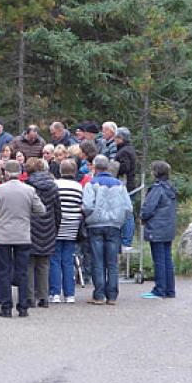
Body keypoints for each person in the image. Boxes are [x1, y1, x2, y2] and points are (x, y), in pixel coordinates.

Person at [0, 159, 46, 318]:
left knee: (4, 271)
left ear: (5, 173)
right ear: (20, 173)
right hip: (23, 235)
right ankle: (23, 306)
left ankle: (6, 306)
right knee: (23, 271)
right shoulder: (29, 190)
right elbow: (41, 210)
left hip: (4, 235)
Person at [82, 155, 132, 305]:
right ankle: (112, 296)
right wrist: (119, 220)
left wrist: (90, 217)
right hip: (114, 225)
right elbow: (128, 208)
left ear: (95, 167)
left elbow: (87, 205)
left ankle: (99, 295)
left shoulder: (91, 183)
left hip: (96, 225)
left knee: (97, 260)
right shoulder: (120, 184)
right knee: (112, 262)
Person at [140, 161, 178, 299]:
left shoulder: (157, 188)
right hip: (168, 227)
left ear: (155, 172)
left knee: (159, 260)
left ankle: (160, 289)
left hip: (156, 228)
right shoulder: (170, 188)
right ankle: (170, 289)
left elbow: (149, 208)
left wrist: (142, 216)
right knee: (167, 259)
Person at [26, 158, 61, 308]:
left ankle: (29, 297)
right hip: (48, 227)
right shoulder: (53, 187)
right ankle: (44, 296)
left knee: (29, 263)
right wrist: (55, 227)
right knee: (44, 263)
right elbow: (57, 210)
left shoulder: (28, 186)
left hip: (31, 227)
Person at [51, 159, 83, 304]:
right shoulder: (78, 186)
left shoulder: (55, 185)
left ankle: (55, 293)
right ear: (74, 171)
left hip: (57, 225)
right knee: (68, 260)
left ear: (60, 171)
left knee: (55, 260)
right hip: (72, 225)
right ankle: (70, 294)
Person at [114, 127, 137, 252]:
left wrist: (113, 166)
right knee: (127, 213)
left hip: (126, 186)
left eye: (116, 138)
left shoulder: (123, 152)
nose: (114, 140)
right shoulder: (128, 149)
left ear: (121, 138)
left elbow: (125, 167)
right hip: (129, 184)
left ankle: (126, 241)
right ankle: (125, 240)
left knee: (127, 214)